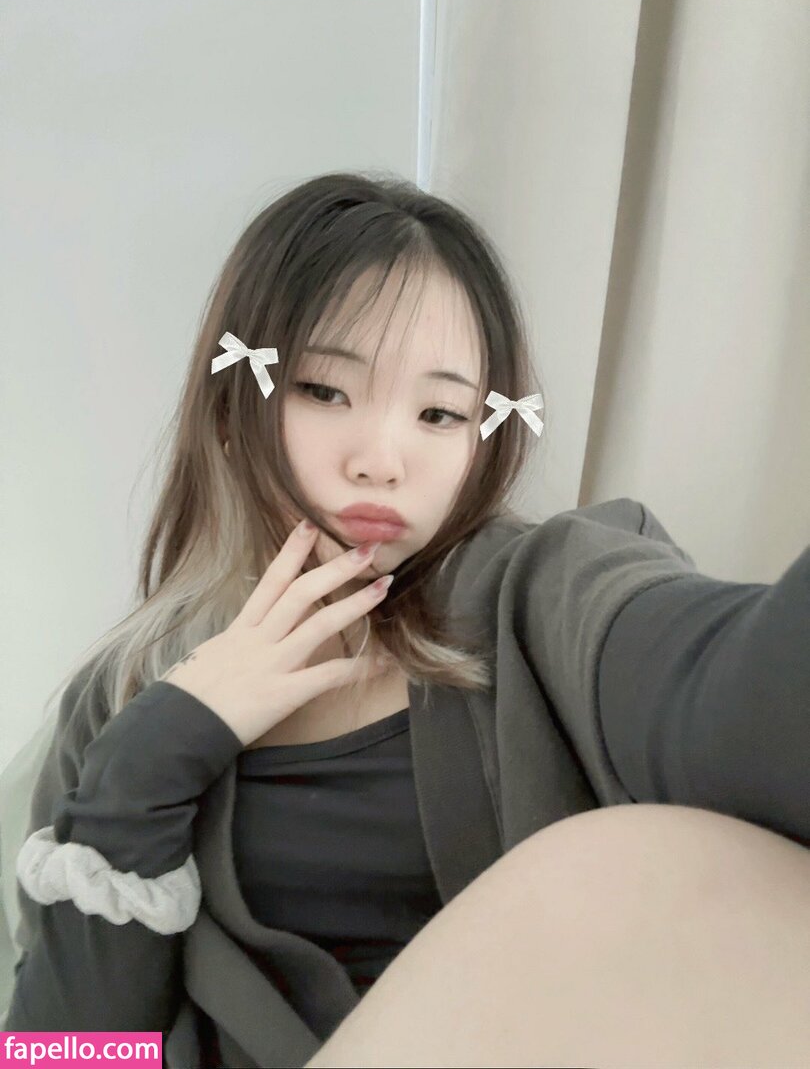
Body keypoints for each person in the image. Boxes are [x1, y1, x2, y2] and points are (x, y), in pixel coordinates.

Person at [2, 171, 808, 1068]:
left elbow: (728, 692)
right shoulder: (124, 697)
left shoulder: (544, 591)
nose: (382, 459)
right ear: (230, 406)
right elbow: (64, 1057)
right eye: (324, 390)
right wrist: (153, 757)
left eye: (440, 413)